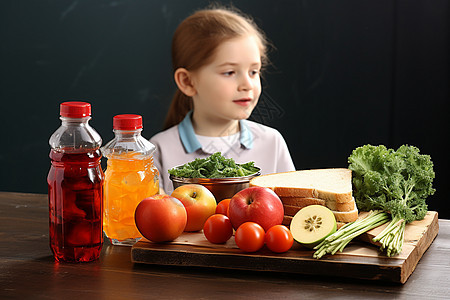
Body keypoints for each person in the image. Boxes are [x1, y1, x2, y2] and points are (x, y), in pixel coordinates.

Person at [150, 7, 295, 194]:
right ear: (187, 81)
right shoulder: (158, 150)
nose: (247, 85)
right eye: (229, 72)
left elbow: (292, 211)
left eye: (253, 72)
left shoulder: (272, 143)